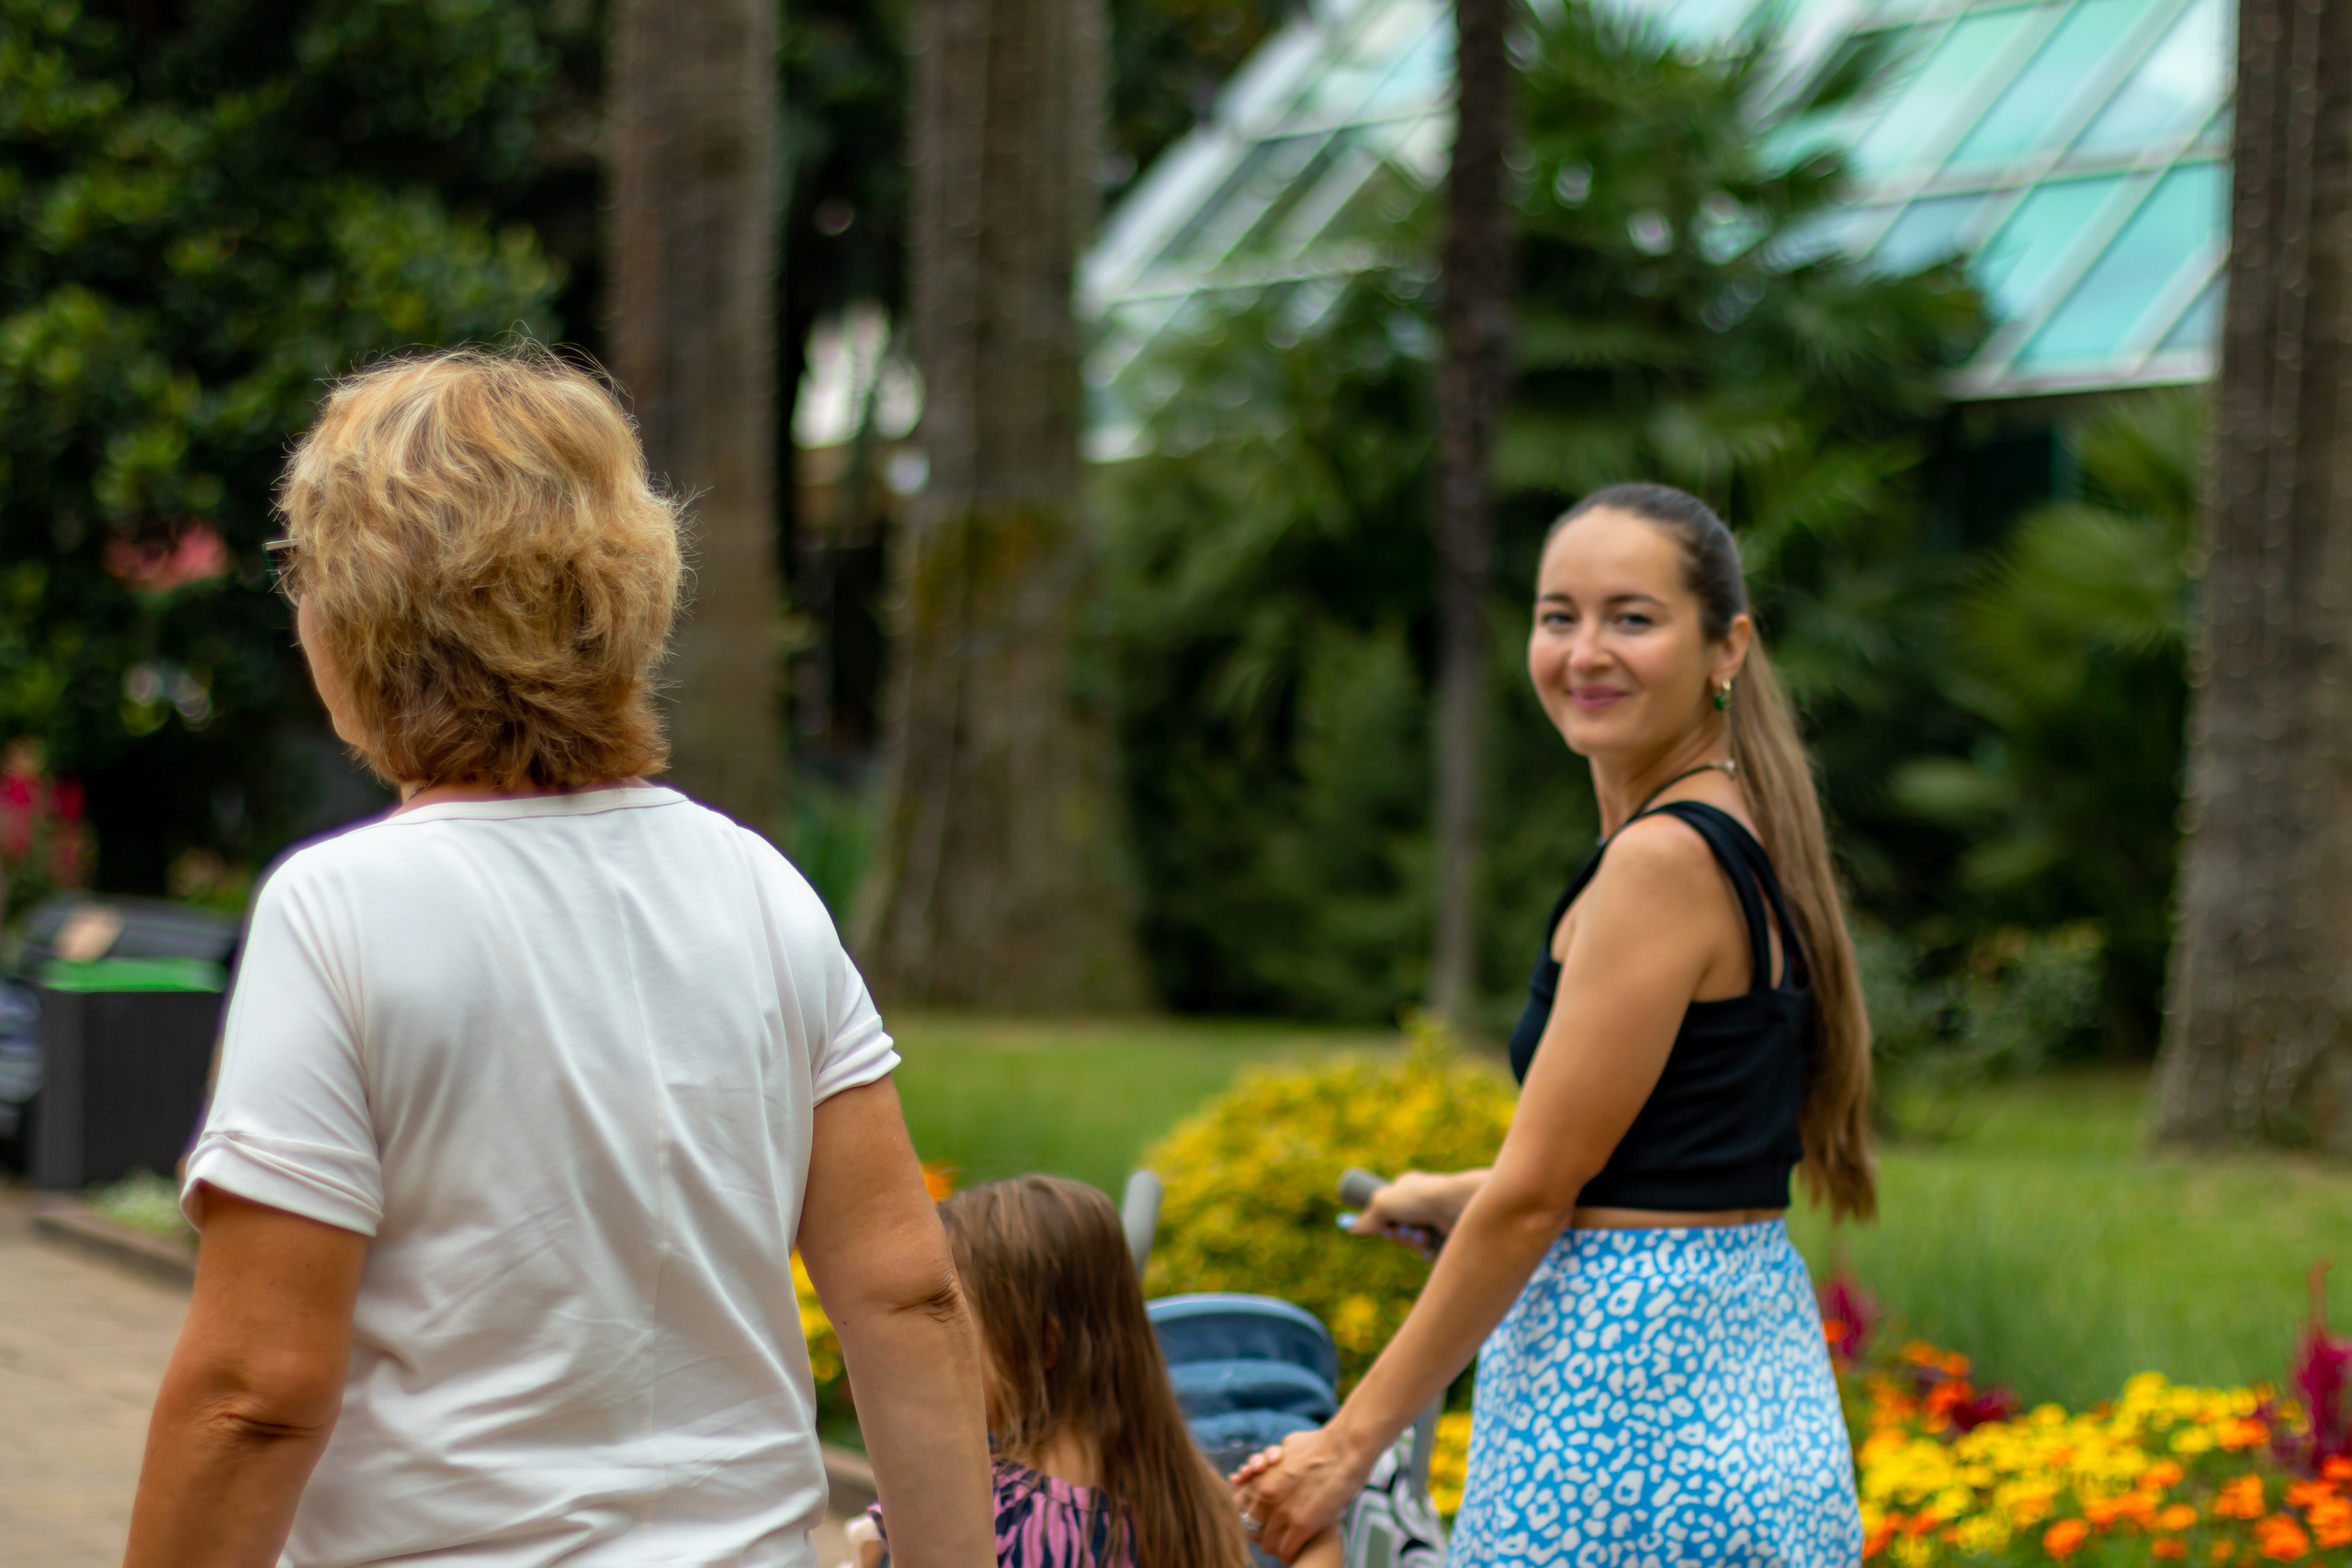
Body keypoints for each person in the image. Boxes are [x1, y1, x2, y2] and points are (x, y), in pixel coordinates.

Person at [123, 345, 993, 1568]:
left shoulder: (341, 911)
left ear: (359, 616)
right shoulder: (755, 886)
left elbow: (253, 1392)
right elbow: (907, 1291)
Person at [1234, 483, 1872, 1564]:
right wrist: (1454, 1192)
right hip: (1744, 1408)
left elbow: (1537, 1199)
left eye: (1632, 617)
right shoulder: (1740, 828)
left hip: (1624, 1427)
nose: (1584, 652)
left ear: (1725, 647)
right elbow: (1671, 1159)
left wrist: (1343, 1449)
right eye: (1557, 615)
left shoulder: (1659, 862)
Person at [850, 1176, 1317, 1568]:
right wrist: (1323, 1535)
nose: (938, 1348)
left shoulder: (981, 1510)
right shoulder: (1191, 1495)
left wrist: (872, 1551)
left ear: (1044, 1346)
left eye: (956, 1325)